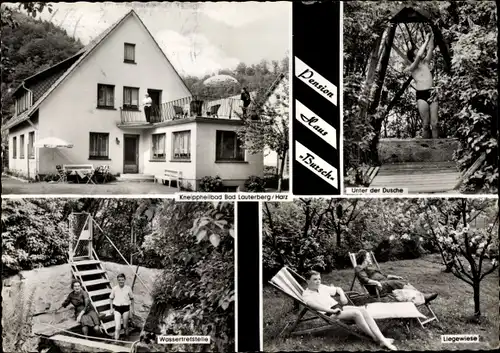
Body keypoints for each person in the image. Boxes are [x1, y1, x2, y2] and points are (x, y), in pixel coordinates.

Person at [303, 270, 398, 351]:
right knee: (356, 313)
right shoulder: (307, 295)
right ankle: (376, 339)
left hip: (338, 308)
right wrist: (331, 311)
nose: (318, 281)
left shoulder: (322, 287)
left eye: (319, 279)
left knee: (362, 310)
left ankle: (381, 338)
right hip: (330, 314)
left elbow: (338, 289)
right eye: (315, 279)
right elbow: (314, 306)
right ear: (308, 281)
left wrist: (342, 295)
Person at [355, 250, 438, 303]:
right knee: (398, 283)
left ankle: (421, 296)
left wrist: (395, 276)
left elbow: (384, 275)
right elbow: (365, 280)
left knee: (403, 281)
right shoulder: (359, 268)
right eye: (368, 256)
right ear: (364, 258)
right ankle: (422, 297)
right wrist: (376, 283)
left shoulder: (369, 267)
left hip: (384, 283)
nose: (370, 258)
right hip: (377, 287)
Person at [402, 32, 439, 139]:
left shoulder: (426, 62)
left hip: (432, 92)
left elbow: (431, 48)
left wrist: (432, 34)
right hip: (421, 94)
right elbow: (419, 55)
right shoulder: (412, 67)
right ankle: (426, 151)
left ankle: (436, 150)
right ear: (413, 56)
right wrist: (426, 40)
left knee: (435, 124)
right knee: (426, 125)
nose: (419, 51)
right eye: (417, 50)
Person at [110, 273, 134, 340]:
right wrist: (111, 308)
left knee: (125, 326)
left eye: (122, 280)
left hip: (126, 308)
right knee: (117, 327)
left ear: (125, 280)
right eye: (119, 280)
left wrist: (132, 309)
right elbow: (111, 299)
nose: (121, 281)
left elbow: (132, 299)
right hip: (117, 309)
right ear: (117, 280)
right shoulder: (114, 288)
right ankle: (116, 341)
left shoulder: (128, 288)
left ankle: (127, 339)